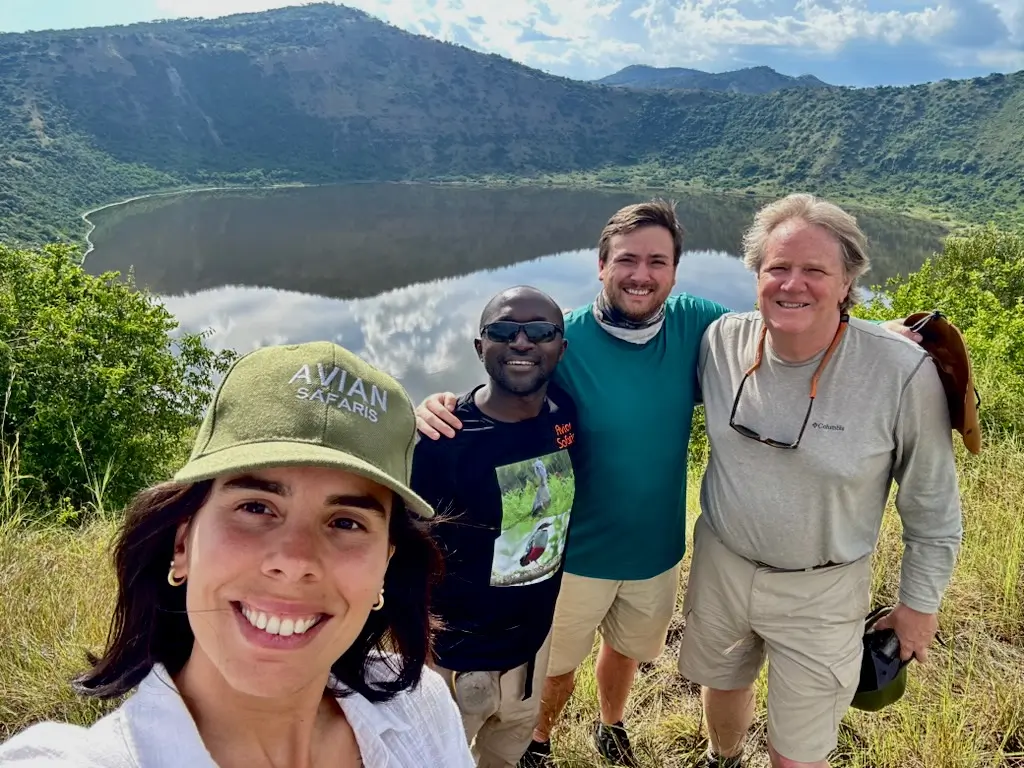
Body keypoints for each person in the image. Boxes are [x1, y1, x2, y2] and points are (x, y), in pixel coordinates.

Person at [0, 341, 475, 768]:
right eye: (255, 507)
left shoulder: (420, 711)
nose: (294, 560)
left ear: (385, 566)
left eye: (346, 522)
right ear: (182, 543)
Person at [416, 201, 731, 767]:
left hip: (657, 550)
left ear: (675, 271)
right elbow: (507, 383)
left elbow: (777, 332)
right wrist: (437, 408)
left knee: (628, 649)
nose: (642, 274)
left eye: (657, 261)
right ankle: (537, 741)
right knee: (552, 666)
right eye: (627, 259)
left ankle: (611, 725)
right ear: (602, 266)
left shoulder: (696, 323)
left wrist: (875, 336)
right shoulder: (564, 340)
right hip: (570, 555)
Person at [677, 193, 963, 768]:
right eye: (777, 268)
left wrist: (918, 605)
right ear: (756, 275)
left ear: (847, 281)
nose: (792, 284)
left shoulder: (900, 373)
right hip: (722, 562)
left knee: (801, 747)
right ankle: (722, 757)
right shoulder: (721, 342)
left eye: (815, 271)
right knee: (724, 678)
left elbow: (932, 506)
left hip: (823, 587)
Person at [411, 285, 578, 768]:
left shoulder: (564, 414)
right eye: (503, 330)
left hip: (530, 649)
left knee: (506, 757)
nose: (522, 342)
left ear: (560, 348)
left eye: (541, 331)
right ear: (480, 347)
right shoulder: (441, 439)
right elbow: (402, 552)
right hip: (453, 662)